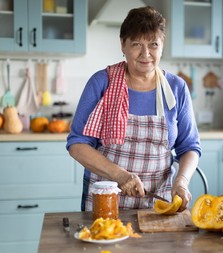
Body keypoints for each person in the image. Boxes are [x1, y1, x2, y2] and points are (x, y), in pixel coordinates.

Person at [66, 6, 201, 212]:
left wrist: (181, 181)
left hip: (159, 204)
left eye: (153, 44)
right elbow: (77, 144)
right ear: (123, 45)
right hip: (106, 200)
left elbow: (189, 146)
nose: (145, 53)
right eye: (137, 44)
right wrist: (119, 175)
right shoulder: (102, 82)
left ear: (162, 45)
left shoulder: (176, 88)